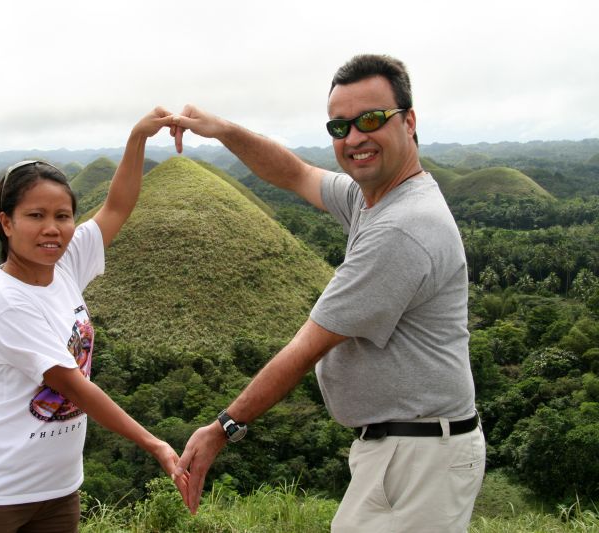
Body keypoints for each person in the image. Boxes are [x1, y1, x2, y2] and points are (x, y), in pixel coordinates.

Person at [171, 54, 485, 532]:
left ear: (410, 121)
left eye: (372, 120)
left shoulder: (402, 228)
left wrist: (223, 429)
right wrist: (223, 130)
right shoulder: (372, 198)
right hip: (406, 448)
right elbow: (295, 173)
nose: (355, 138)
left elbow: (305, 349)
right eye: (340, 127)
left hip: (420, 457)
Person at [0, 108, 187, 532]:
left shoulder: (65, 264)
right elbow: (74, 386)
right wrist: (154, 443)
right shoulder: (7, 301)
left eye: (62, 216)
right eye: (36, 216)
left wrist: (138, 136)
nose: (52, 229)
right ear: (6, 222)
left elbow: (117, 205)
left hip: (57, 493)